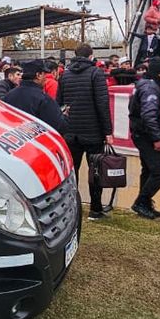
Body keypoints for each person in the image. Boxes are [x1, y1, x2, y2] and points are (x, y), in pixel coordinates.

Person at [57, 44, 113, 220]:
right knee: (95, 171)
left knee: (72, 172)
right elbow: (102, 104)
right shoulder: (96, 74)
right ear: (91, 56)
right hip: (92, 132)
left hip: (70, 131)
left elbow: (59, 103)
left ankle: (70, 208)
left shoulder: (64, 75)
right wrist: (108, 131)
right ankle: (95, 209)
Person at [129, 58, 160, 219]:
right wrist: (156, 138)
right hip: (147, 135)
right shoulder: (150, 88)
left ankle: (144, 204)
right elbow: (148, 115)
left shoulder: (143, 84)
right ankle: (141, 201)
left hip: (142, 132)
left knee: (148, 169)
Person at [3, 61, 69, 135]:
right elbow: (60, 126)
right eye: (44, 74)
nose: (45, 78)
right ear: (38, 75)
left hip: (14, 141)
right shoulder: (43, 99)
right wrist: (65, 116)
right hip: (38, 142)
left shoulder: (8, 96)